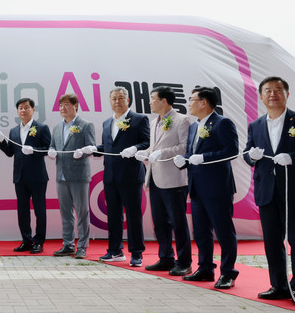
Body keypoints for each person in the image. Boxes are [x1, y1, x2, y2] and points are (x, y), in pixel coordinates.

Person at [244, 76, 295, 307]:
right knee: (272, 242)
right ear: (261, 96)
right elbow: (247, 154)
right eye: (268, 90)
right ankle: (278, 286)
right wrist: (251, 156)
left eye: (278, 90)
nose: (273, 94)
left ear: (287, 94)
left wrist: (292, 157)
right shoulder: (255, 125)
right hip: (267, 192)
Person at [173, 87, 239, 289]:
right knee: (201, 231)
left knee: (224, 231)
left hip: (217, 187)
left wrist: (204, 157)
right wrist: (184, 160)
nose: (188, 103)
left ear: (204, 102)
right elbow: (192, 152)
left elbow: (232, 151)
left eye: (192, 99)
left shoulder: (222, 123)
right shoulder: (194, 126)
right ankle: (205, 268)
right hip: (196, 186)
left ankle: (228, 273)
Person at [134, 86, 193, 276]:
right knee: (160, 222)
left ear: (164, 100)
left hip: (174, 179)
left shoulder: (182, 120)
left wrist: (162, 153)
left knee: (178, 223)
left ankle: (184, 262)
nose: (150, 102)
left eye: (153, 98)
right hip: (155, 178)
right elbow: (154, 148)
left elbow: (185, 147)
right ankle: (166, 258)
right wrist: (145, 152)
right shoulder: (154, 122)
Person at [97, 87, 150, 267]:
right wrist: (93, 149)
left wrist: (135, 148)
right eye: (114, 98)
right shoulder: (107, 123)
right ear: (110, 101)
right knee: (113, 215)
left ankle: (137, 253)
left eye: (121, 98)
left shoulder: (139, 119)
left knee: (134, 215)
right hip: (110, 176)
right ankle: (115, 250)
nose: (117, 101)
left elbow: (147, 142)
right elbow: (107, 147)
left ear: (128, 100)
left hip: (131, 175)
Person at [0, 97, 52, 254]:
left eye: (26, 107)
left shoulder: (42, 128)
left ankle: (38, 242)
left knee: (39, 210)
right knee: (22, 210)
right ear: (17, 111)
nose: (23, 110)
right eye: (20, 108)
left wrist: (34, 151)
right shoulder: (14, 131)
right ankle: (26, 240)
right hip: (20, 176)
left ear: (33, 110)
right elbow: (10, 152)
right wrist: (1, 142)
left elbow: (48, 148)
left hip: (38, 177)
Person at [48, 93, 96, 259]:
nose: (63, 108)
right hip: (61, 175)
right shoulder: (56, 128)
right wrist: (51, 151)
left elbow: (92, 147)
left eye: (66, 104)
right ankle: (68, 245)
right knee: (66, 213)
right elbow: (52, 146)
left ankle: (82, 246)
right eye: (61, 105)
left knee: (82, 212)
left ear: (75, 105)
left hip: (79, 175)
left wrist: (82, 152)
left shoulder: (86, 125)